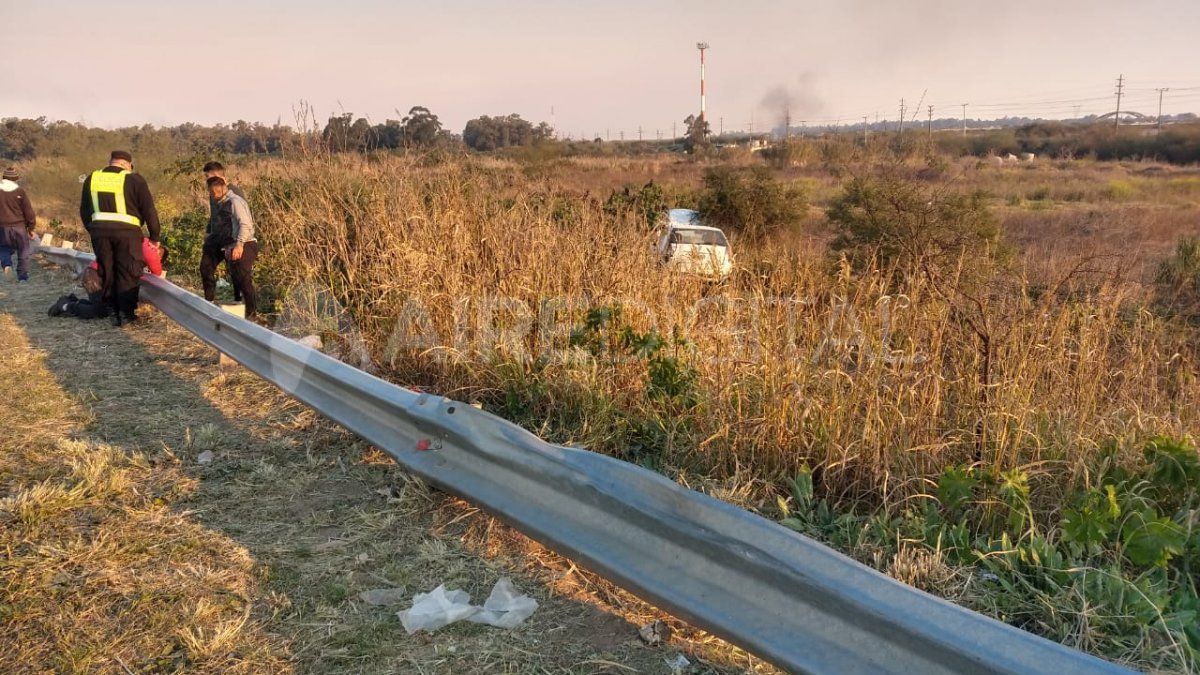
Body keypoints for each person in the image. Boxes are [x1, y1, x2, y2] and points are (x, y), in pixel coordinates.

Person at [80, 150, 162, 326]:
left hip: (99, 233)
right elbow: (149, 209)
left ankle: (112, 311)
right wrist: (154, 235)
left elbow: (84, 210)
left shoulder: (92, 178)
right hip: (128, 234)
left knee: (107, 270)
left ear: (111, 162)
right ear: (128, 165)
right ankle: (125, 315)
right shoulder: (134, 179)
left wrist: (93, 229)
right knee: (128, 271)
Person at [200, 176, 258, 319]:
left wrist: (239, 245)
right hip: (232, 244)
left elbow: (245, 224)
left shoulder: (235, 202)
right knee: (236, 276)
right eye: (211, 193)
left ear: (222, 188)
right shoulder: (223, 203)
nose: (213, 196)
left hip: (246, 243)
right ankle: (238, 308)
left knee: (244, 279)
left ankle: (252, 314)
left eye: (215, 193)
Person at [203, 161, 246, 300]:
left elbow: (242, 218)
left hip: (231, 238)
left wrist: (239, 243)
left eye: (208, 176)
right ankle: (208, 300)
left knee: (235, 272)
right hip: (216, 237)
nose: (206, 179)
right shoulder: (212, 192)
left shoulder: (235, 193)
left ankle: (239, 302)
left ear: (218, 176)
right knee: (206, 267)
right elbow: (214, 215)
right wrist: (208, 231)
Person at [0, 166, 37, 282]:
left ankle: (7, 265)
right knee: (23, 250)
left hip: (2, 226)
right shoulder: (20, 191)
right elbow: (28, 211)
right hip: (19, 226)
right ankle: (22, 277)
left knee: (3, 247)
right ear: (16, 179)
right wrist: (31, 228)